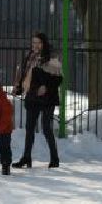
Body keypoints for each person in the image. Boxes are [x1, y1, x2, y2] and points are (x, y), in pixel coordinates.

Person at [12, 32, 63, 168]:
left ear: (43, 43)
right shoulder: (29, 57)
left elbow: (58, 78)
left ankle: (54, 158)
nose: (35, 45)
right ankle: (26, 158)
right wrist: (19, 87)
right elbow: (23, 74)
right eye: (33, 42)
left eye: (38, 42)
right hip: (32, 96)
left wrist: (46, 87)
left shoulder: (51, 57)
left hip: (47, 97)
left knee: (47, 128)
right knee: (29, 128)